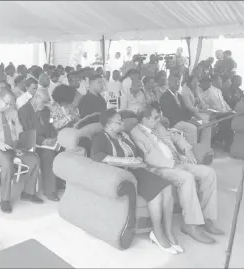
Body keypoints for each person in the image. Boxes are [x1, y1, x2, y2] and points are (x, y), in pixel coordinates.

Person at [131, 104, 223, 244]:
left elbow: (174, 136)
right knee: (187, 178)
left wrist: (186, 149)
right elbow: (148, 157)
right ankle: (191, 225)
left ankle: (205, 218)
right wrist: (173, 165)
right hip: (160, 168)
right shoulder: (136, 133)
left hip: (178, 161)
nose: (159, 119)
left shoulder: (157, 126)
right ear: (144, 119)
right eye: (155, 117)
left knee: (209, 173)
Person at [91, 108, 180, 254]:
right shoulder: (100, 137)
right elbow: (98, 156)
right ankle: (157, 233)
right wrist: (125, 160)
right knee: (156, 194)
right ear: (109, 125)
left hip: (136, 169)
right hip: (122, 174)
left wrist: (137, 159)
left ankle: (168, 231)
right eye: (118, 121)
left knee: (167, 187)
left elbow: (137, 153)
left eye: (122, 120)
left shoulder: (124, 135)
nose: (122, 123)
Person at [0, 88, 43, 213]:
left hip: (14, 146)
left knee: (34, 159)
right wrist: (1, 145)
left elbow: (19, 127)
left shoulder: (11, 110)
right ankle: (5, 199)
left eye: (11, 104)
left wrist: (20, 144)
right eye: (7, 103)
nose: (9, 106)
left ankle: (28, 193)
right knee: (7, 164)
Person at [18, 88, 60, 201]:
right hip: (30, 142)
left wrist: (54, 135)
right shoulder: (23, 111)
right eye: (44, 101)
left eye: (47, 102)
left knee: (61, 150)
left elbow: (50, 124)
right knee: (48, 155)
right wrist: (43, 141)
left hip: (45, 141)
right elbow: (26, 132)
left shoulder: (46, 110)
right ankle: (50, 190)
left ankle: (58, 182)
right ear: (36, 97)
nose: (46, 104)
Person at [160, 75, 212, 147]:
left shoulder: (178, 95)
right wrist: (188, 120)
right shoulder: (165, 97)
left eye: (178, 82)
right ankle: (192, 152)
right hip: (174, 122)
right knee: (192, 128)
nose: (177, 84)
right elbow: (169, 115)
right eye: (175, 82)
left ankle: (204, 149)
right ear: (169, 83)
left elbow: (186, 110)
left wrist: (194, 119)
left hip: (185, 120)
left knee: (206, 125)